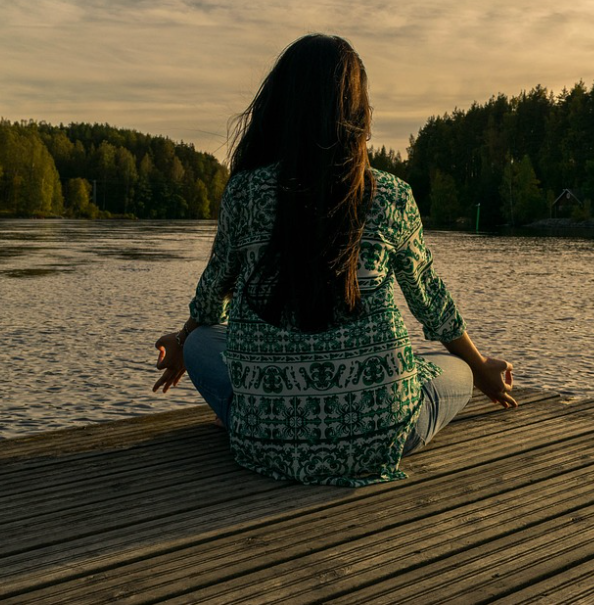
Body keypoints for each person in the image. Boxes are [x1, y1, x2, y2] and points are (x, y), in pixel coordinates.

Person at [153, 34, 516, 487]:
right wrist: (481, 368)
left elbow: (212, 295)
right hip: (381, 436)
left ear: (280, 105)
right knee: (456, 369)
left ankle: (257, 418)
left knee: (205, 341)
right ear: (358, 112)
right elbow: (431, 303)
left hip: (265, 444)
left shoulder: (245, 192)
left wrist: (185, 340)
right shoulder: (391, 195)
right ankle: (337, 416)